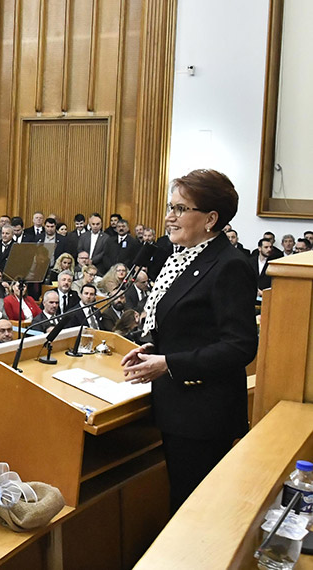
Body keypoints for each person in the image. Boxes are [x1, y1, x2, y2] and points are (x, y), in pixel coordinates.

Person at [121, 169, 257, 512]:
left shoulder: (229, 265)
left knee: (194, 511)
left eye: (181, 209)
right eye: (171, 207)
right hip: (177, 408)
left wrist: (169, 363)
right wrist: (155, 349)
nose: (170, 217)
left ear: (211, 219)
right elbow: (190, 326)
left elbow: (240, 346)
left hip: (204, 416)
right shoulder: (181, 258)